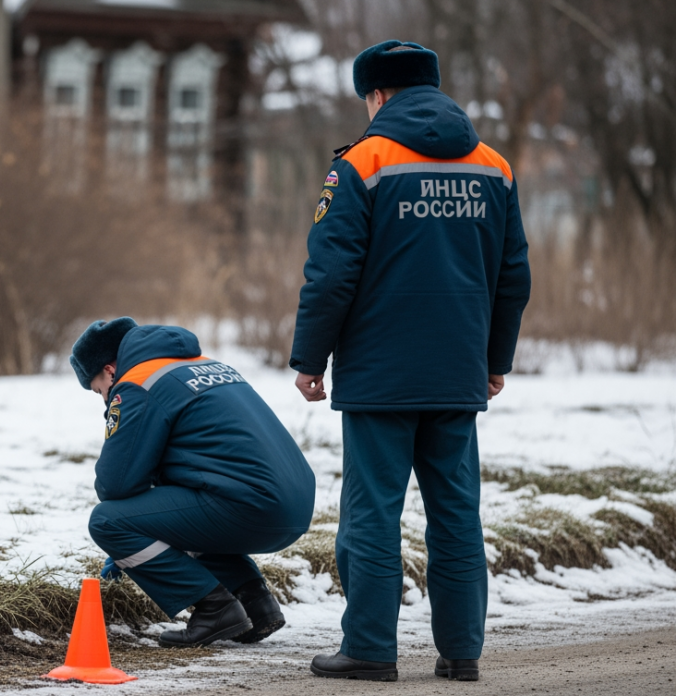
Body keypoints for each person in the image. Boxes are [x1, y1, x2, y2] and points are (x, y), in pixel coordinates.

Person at [290, 40, 532, 682]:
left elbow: (331, 273)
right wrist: (495, 358)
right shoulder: (494, 166)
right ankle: (461, 651)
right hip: (457, 372)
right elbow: (514, 276)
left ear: (376, 94)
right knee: (456, 512)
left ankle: (369, 648)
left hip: (380, 375)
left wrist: (309, 357)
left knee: (373, 512)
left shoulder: (362, 164)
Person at [70, 318, 316, 648]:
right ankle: (256, 602)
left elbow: (115, 486)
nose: (102, 395)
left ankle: (215, 609)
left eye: (98, 388)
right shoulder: (205, 365)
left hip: (250, 507)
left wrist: (125, 543)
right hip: (295, 506)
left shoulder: (138, 382)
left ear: (110, 370)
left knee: (105, 521)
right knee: (184, 504)